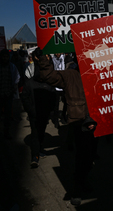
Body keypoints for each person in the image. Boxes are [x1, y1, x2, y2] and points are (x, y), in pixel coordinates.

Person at [34, 47, 97, 206]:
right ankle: (77, 188)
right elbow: (49, 76)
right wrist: (44, 59)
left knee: (91, 157)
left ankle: (84, 180)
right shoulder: (70, 75)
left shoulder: (99, 72)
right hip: (79, 122)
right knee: (82, 156)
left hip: (98, 122)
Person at [21, 50, 56, 168]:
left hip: (44, 114)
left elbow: (53, 96)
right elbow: (25, 97)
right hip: (34, 114)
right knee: (35, 134)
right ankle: (34, 156)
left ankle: (40, 149)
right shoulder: (30, 83)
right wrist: (30, 110)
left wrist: (51, 111)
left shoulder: (48, 84)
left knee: (41, 132)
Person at [0, 49, 20, 140]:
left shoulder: (12, 67)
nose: (5, 58)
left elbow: (17, 77)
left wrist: (14, 88)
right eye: (3, 56)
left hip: (8, 94)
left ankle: (6, 133)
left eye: (6, 56)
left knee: (7, 116)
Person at [51, 53, 65, 128]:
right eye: (56, 53)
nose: (58, 54)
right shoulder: (53, 60)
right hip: (56, 85)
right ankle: (55, 120)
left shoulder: (63, 59)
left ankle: (63, 116)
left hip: (63, 85)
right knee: (56, 104)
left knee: (65, 102)